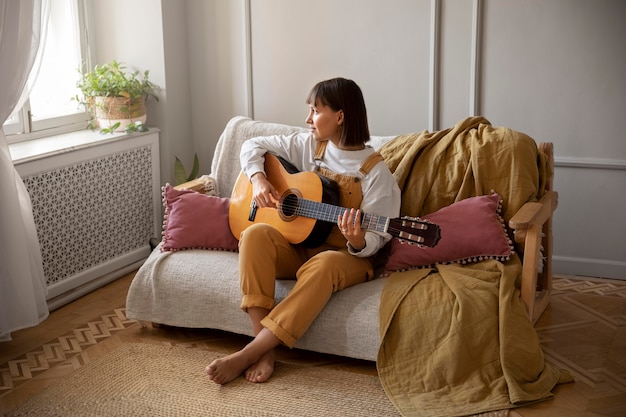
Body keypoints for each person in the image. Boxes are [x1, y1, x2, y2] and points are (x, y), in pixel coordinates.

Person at [205, 77, 401, 385]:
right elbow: (251, 146)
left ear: (340, 117)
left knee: (324, 264)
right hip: (300, 246)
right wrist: (258, 178)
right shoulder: (310, 145)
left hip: (345, 255)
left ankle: (248, 353)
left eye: (315, 111)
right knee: (254, 235)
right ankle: (264, 351)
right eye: (309, 110)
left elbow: (378, 238)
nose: (307, 119)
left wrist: (358, 239)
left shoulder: (376, 173)